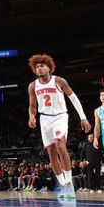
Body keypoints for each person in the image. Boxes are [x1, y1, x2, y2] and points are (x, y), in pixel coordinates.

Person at [27, 54, 91, 198]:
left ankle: (69, 182)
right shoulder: (33, 85)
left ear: (49, 68)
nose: (40, 68)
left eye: (42, 66)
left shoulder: (59, 80)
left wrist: (83, 118)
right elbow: (32, 106)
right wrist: (31, 117)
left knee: (60, 145)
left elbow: (73, 98)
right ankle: (62, 184)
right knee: (51, 152)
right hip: (44, 119)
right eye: (37, 67)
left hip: (60, 116)